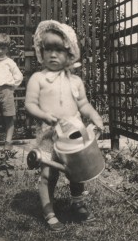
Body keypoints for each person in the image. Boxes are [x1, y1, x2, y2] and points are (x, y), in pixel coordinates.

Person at [25, 20, 104, 232]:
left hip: (73, 134)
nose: (52, 54)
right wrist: (43, 114)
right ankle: (49, 210)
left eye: (59, 50)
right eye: (48, 49)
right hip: (49, 135)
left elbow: (84, 104)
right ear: (41, 52)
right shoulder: (38, 79)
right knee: (48, 174)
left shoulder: (75, 81)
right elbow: (30, 104)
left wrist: (94, 116)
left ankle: (77, 202)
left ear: (70, 54)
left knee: (78, 171)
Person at [0, 33, 23, 149]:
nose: (0, 51)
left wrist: (11, 88)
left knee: (9, 117)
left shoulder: (10, 62)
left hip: (6, 91)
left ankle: (8, 142)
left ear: (7, 49)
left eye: (3, 48)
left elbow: (18, 76)